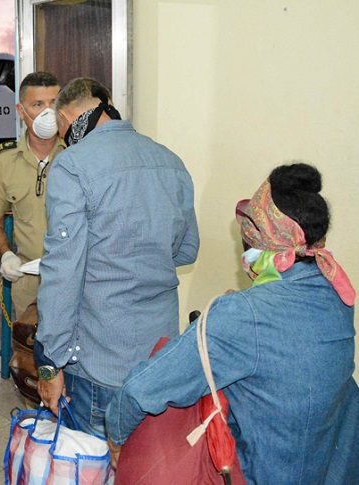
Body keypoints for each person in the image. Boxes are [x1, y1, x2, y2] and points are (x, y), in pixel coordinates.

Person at [105, 163, 358, 483]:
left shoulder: (241, 316)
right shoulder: (337, 293)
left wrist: (116, 438)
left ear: (259, 242)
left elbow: (141, 390)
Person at [34, 77, 200, 438]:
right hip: (158, 358)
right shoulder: (170, 161)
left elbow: (63, 273)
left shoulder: (72, 165)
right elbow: (187, 250)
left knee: (97, 461)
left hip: (98, 361)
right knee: (144, 460)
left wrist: (49, 362)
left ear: (65, 118)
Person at [0, 72, 65, 319]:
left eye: (54, 103)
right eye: (38, 104)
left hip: (75, 279)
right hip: (28, 282)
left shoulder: (77, 155)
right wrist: (6, 255)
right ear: (21, 110)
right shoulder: (6, 162)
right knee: (29, 343)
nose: (48, 113)